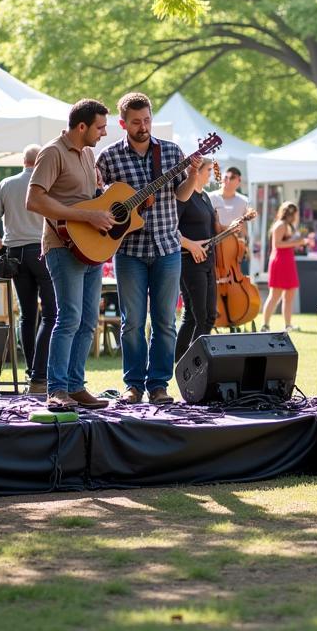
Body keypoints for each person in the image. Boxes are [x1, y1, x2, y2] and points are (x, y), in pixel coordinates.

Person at [96, 92, 202, 405]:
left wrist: (194, 173)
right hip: (128, 250)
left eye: (146, 120)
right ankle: (133, 385)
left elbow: (182, 195)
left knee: (165, 322)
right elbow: (97, 196)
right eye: (136, 122)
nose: (143, 126)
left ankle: (158, 385)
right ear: (122, 123)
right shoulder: (109, 157)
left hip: (167, 247)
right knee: (131, 323)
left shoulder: (170, 152)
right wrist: (124, 205)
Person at [27, 99, 115, 411]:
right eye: (100, 127)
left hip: (92, 248)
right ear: (82, 127)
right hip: (62, 248)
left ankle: (76, 386)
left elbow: (85, 200)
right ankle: (57, 389)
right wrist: (84, 218)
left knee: (89, 320)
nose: (104, 133)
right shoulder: (52, 153)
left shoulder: (89, 154)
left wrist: (102, 200)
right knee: (69, 318)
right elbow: (34, 200)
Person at [0, 144, 56, 395]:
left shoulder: (6, 184)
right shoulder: (46, 184)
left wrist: (1, 249)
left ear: (23, 161)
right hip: (42, 251)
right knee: (51, 314)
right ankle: (40, 375)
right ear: (39, 163)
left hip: (14, 254)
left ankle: (30, 373)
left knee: (27, 315)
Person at [176, 158, 220, 362]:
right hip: (189, 261)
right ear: (197, 172)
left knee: (207, 315)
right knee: (199, 316)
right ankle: (193, 362)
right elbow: (171, 229)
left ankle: (181, 358)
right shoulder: (185, 197)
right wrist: (190, 245)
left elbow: (210, 230)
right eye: (208, 170)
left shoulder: (206, 198)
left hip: (207, 261)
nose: (210, 174)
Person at [260, 201, 313, 332]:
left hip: (288, 261)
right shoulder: (280, 225)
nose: (297, 216)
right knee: (275, 295)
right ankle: (265, 325)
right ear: (291, 213)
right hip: (280, 261)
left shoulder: (288, 226)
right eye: (296, 213)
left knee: (289, 295)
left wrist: (300, 242)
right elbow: (277, 244)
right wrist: (297, 241)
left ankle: (288, 325)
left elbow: (287, 242)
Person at [209, 166, 250, 272]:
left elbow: (245, 227)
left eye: (232, 178)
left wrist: (246, 245)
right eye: (225, 177)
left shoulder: (244, 201)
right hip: (216, 247)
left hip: (236, 248)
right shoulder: (211, 197)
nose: (227, 180)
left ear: (239, 181)